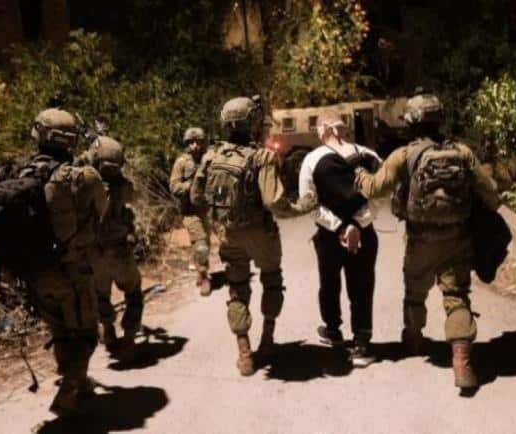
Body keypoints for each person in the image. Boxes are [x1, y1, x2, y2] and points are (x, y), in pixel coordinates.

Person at [353, 90, 500, 389]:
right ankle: (462, 363)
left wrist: (357, 173)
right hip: (457, 238)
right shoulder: (462, 152)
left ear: (411, 121)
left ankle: (413, 339)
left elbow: (374, 188)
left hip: (420, 239)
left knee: (414, 291)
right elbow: (491, 194)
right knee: (456, 296)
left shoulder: (404, 155)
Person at [190, 96, 308, 376]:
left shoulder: (210, 156)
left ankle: (244, 354)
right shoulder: (261, 157)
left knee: (237, 288)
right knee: (272, 279)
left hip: (228, 233)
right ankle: (267, 341)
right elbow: (274, 201)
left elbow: (196, 197)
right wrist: (303, 206)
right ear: (252, 122)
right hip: (259, 233)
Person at [28, 109, 107, 414]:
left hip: (35, 273)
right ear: (72, 140)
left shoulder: (21, 175)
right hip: (72, 270)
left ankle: (79, 381)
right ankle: (70, 388)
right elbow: (101, 211)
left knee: (61, 331)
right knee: (85, 332)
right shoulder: (84, 177)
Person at [298, 110, 380, 365]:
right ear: (343, 129)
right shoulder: (369, 155)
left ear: (326, 130)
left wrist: (340, 227)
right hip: (364, 234)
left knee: (329, 284)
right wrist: (356, 225)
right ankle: (362, 343)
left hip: (328, 236)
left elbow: (309, 203)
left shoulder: (312, 160)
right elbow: (380, 193)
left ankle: (333, 331)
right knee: (362, 286)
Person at [78, 136, 144, 359]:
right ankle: (130, 337)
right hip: (119, 250)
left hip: (94, 252)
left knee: (100, 295)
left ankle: (108, 330)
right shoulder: (122, 186)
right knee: (133, 292)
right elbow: (134, 197)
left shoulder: (84, 183)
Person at [170, 127, 213, 296]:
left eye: (198, 142)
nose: (195, 145)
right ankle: (204, 276)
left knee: (206, 243)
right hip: (190, 211)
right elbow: (174, 186)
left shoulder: (210, 160)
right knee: (201, 245)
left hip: (207, 209)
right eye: (191, 142)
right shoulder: (181, 162)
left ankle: (201, 271)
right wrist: (191, 185)